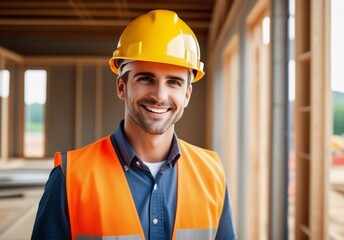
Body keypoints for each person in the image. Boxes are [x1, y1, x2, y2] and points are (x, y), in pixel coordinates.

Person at [31, 9, 236, 240]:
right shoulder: (70, 176)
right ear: (122, 87)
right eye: (146, 78)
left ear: (187, 94)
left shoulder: (212, 173)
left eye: (174, 82)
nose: (160, 95)